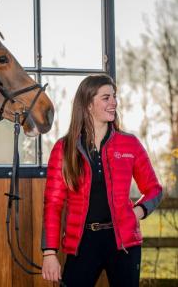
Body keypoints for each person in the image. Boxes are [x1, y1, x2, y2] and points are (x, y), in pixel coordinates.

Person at [41, 74, 162, 287]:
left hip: (124, 242)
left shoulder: (129, 144)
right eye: (106, 97)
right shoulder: (64, 148)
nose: (114, 102)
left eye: (114, 96)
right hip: (82, 242)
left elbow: (154, 189)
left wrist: (139, 211)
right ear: (88, 104)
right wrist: (49, 253)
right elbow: (53, 204)